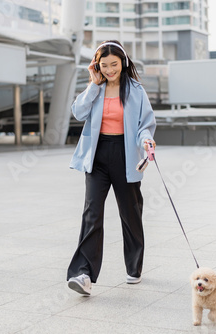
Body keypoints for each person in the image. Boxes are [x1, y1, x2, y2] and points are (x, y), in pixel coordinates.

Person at [66, 40, 156, 295]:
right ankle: (83, 273)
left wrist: (146, 140)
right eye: (103, 65)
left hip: (126, 154)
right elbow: (78, 113)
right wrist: (93, 84)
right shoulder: (96, 88)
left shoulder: (136, 90)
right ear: (97, 66)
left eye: (113, 64)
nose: (109, 70)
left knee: (130, 214)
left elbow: (145, 125)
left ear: (124, 62)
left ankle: (134, 267)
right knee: (92, 213)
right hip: (97, 156)